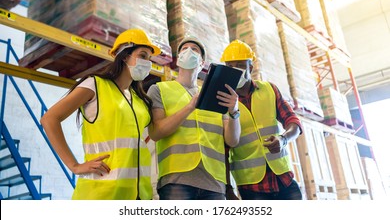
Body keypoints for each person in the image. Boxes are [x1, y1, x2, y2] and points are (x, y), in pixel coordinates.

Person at [40, 28, 161, 200]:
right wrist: (74, 166)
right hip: (102, 194)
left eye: (149, 58)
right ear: (125, 56)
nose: (147, 62)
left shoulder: (139, 99)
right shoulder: (95, 85)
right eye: (142, 55)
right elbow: (49, 118)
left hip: (137, 194)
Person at [147, 36, 241, 200]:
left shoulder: (216, 94)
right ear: (178, 61)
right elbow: (156, 132)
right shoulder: (158, 90)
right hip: (176, 181)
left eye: (195, 50)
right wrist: (190, 107)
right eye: (184, 49)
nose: (189, 51)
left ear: (202, 63)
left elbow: (232, 140)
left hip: (214, 182)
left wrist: (234, 111)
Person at [221, 39, 303, 200]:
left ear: (250, 67)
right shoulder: (223, 102)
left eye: (240, 65)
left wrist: (283, 139)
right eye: (230, 67)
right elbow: (223, 150)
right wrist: (227, 188)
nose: (235, 71)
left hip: (284, 180)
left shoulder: (269, 90)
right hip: (251, 187)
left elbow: (294, 123)